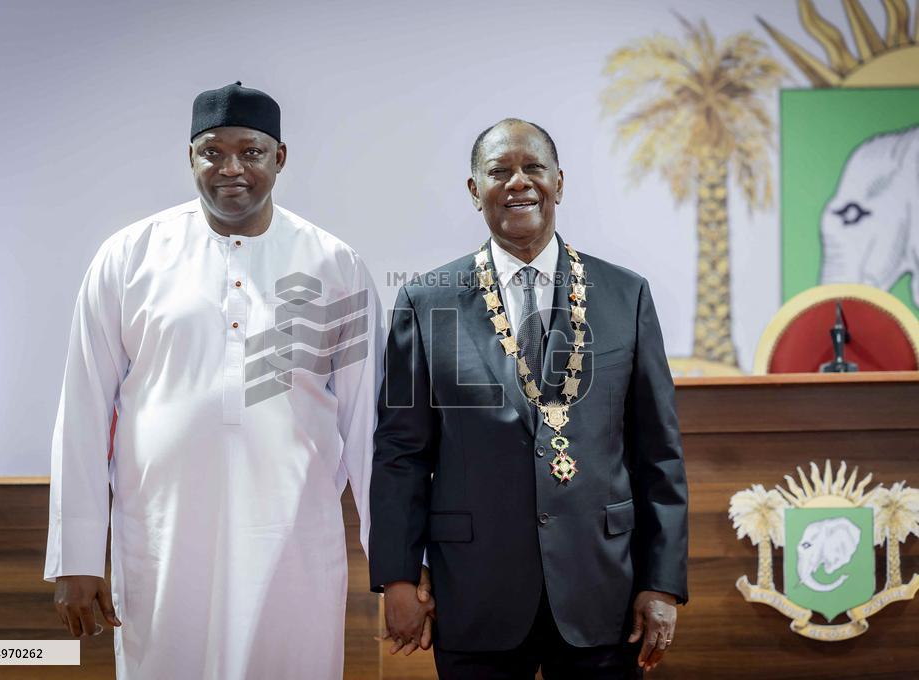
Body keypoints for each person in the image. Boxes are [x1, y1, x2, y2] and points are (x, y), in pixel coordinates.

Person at [45, 82, 384, 679]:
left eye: (251, 152)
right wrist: (76, 556)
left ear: (280, 158)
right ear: (190, 158)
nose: (232, 168)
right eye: (213, 152)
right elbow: (84, 409)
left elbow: (367, 424)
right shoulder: (129, 256)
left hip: (293, 535)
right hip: (164, 533)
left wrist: (395, 562)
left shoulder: (335, 264)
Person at [369, 118, 688, 679]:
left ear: (558, 182)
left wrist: (661, 581)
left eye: (533, 168)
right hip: (475, 590)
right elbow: (401, 451)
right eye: (499, 171)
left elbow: (657, 453)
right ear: (475, 191)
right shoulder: (424, 301)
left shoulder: (626, 294)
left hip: (601, 590)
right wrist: (396, 576)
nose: (518, 182)